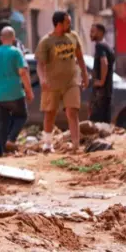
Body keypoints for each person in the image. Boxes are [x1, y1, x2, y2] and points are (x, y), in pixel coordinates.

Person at [35, 11, 88, 153]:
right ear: (58, 24)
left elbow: (80, 58)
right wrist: (42, 79)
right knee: (50, 113)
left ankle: (76, 145)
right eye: (67, 22)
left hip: (71, 81)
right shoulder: (46, 41)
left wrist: (85, 75)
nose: (69, 24)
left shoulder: (73, 36)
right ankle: (47, 143)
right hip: (52, 83)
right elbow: (39, 64)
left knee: (72, 111)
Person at [0, 27, 34, 158]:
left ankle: (2, 152)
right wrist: (29, 91)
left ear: (1, 39)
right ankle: (11, 139)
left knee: (2, 121)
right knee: (21, 116)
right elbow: (23, 72)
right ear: (13, 38)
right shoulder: (16, 52)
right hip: (16, 93)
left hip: (0, 95)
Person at [89, 23, 115, 123]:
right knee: (104, 123)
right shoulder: (108, 46)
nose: (90, 34)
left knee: (95, 123)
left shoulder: (100, 46)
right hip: (107, 92)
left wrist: (101, 81)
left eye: (92, 32)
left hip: (100, 93)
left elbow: (104, 62)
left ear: (100, 33)